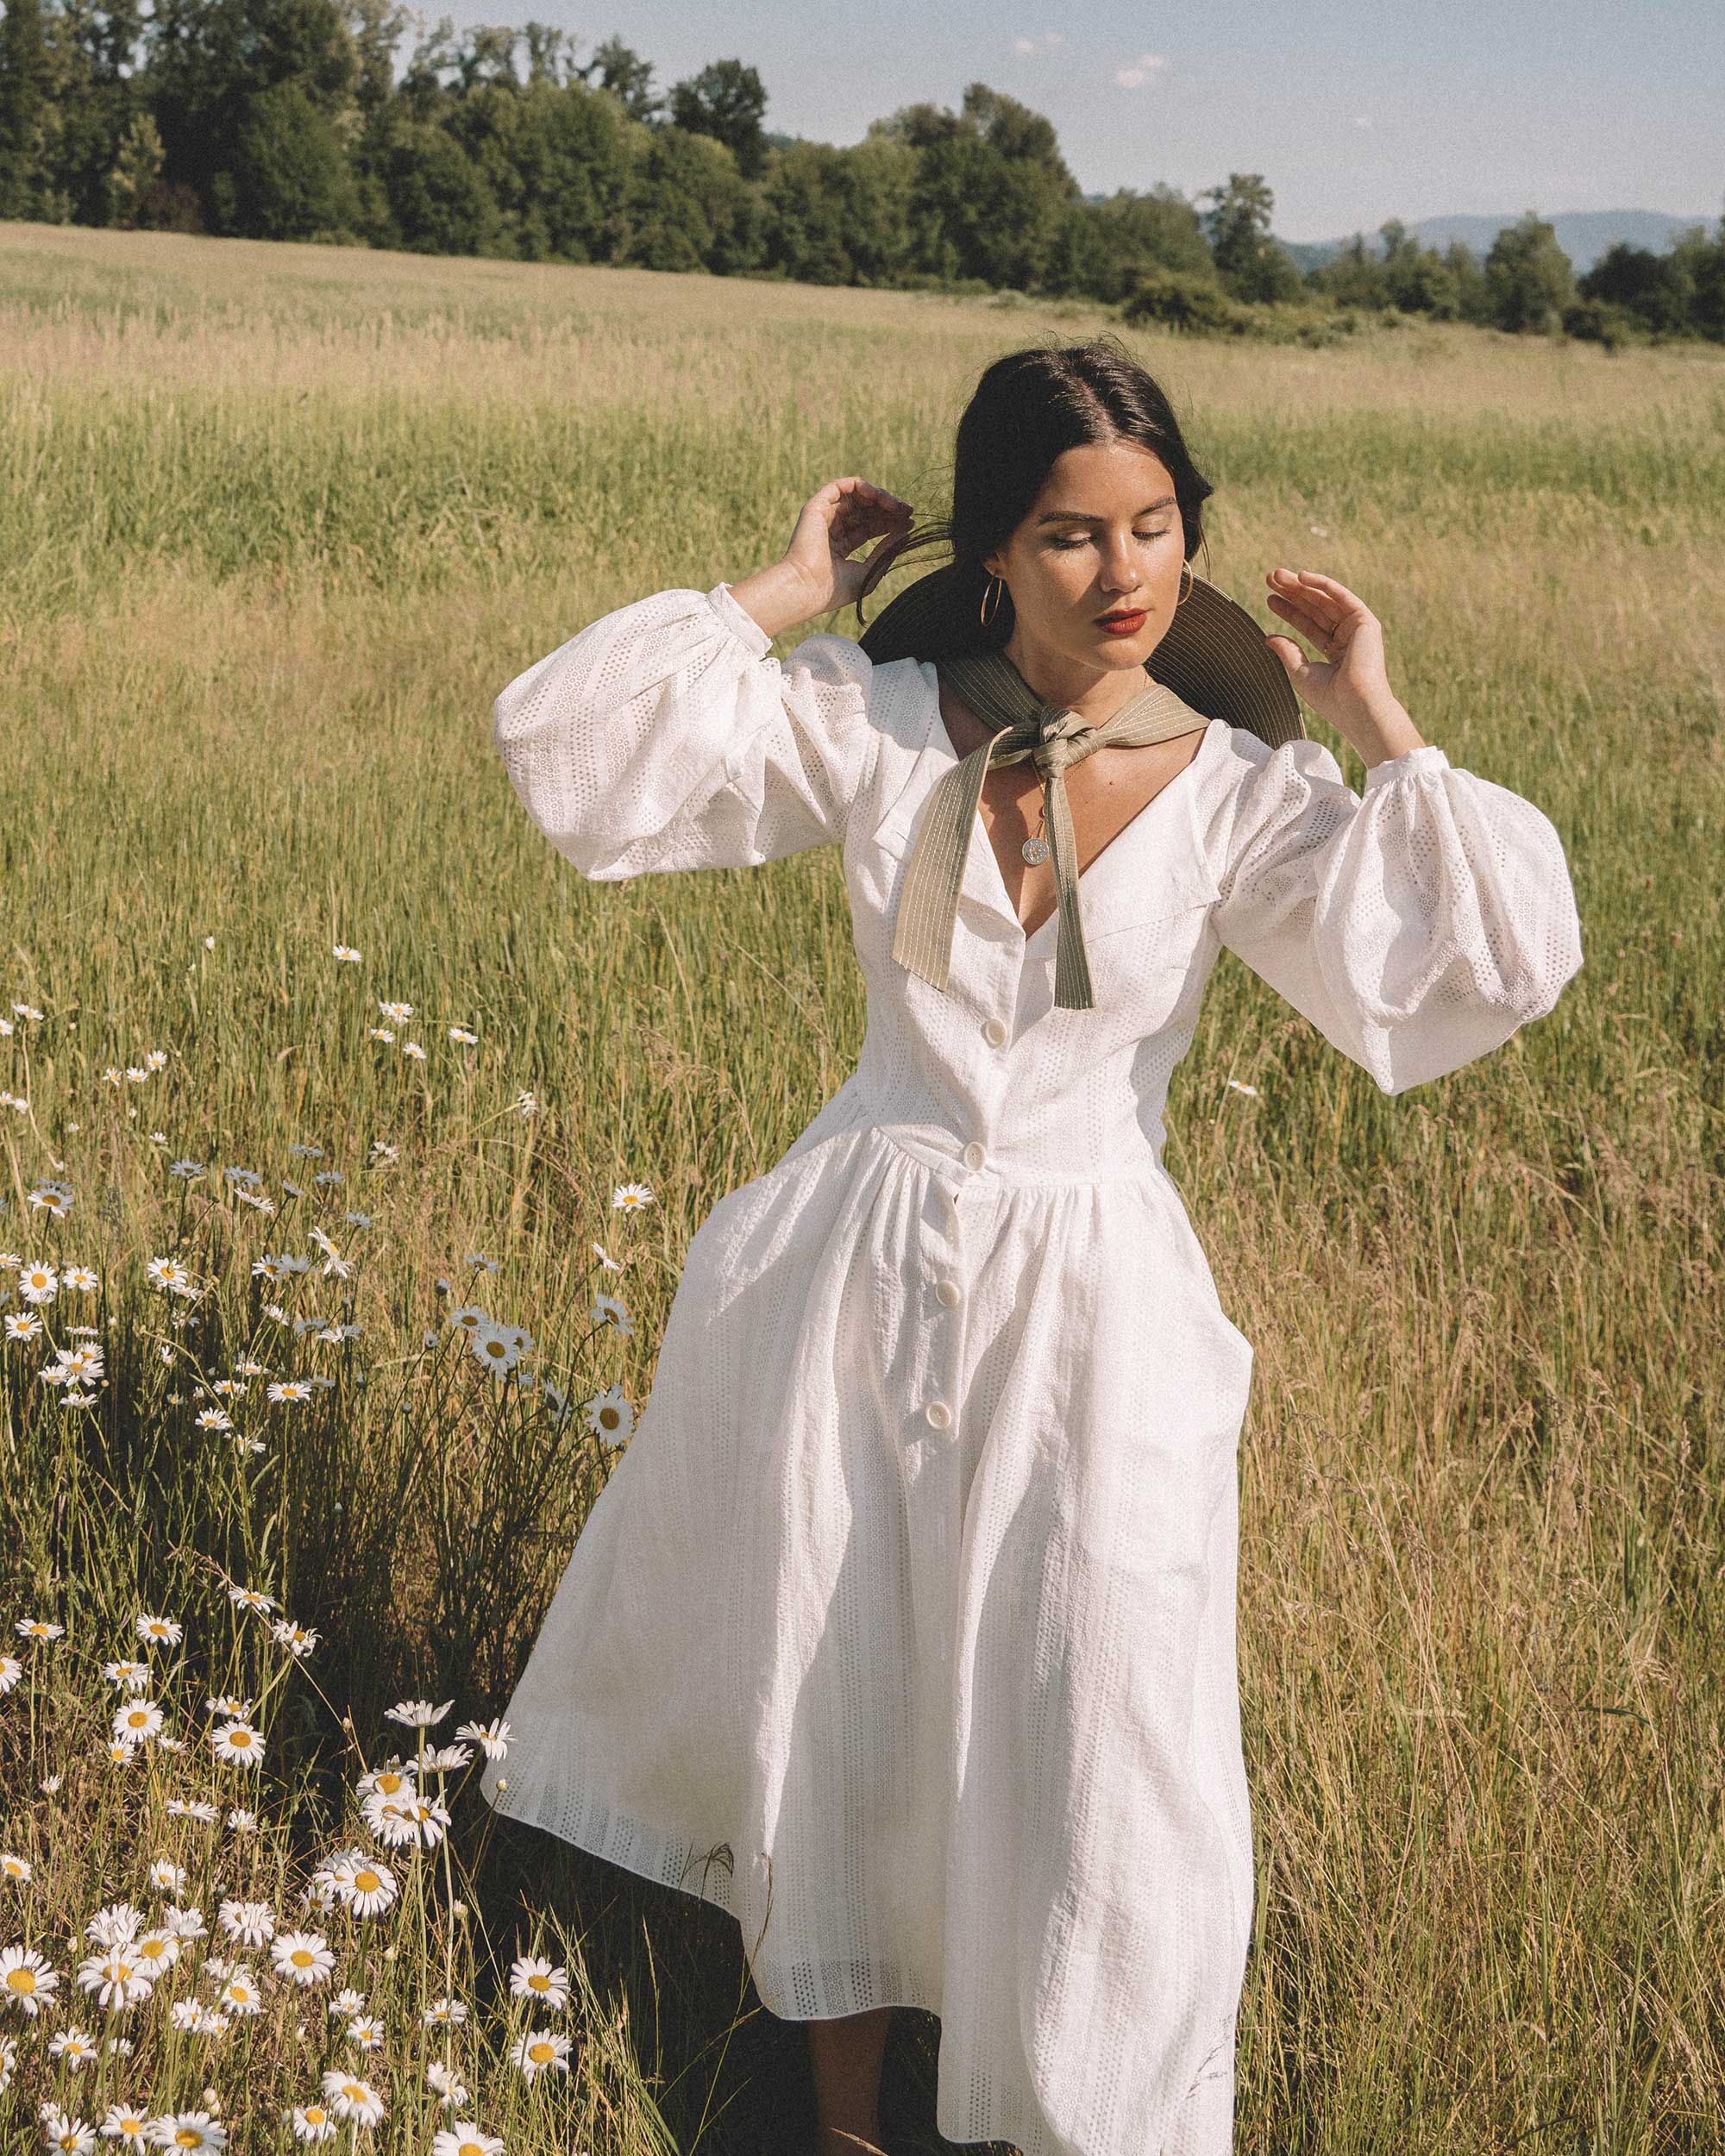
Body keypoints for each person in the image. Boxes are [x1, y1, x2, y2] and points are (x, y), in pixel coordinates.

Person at [480, 338, 1584, 2156]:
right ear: (999, 548)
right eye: (1074, 534)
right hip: (856, 1257)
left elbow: (1484, 953)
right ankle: (841, 2114)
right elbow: (576, 751)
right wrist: (781, 588)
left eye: (1156, 525)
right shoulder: (870, 723)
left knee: (1105, 1729)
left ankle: (1082, 2115)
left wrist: (1379, 716)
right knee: (843, 1680)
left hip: (1097, 1298)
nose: (1127, 571)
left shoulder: (1239, 790)